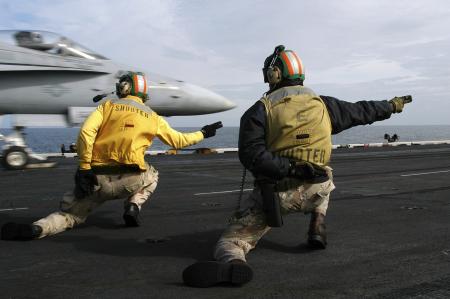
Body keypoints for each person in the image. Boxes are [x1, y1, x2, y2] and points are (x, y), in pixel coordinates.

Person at [182, 45, 412, 287]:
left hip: (278, 196)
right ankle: (317, 224)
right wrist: (391, 105)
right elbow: (363, 111)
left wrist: (289, 168)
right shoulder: (324, 105)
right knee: (327, 172)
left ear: (274, 74)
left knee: (229, 243)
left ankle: (235, 263)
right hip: (317, 190)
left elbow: (251, 155)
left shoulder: (260, 110)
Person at [1, 71, 222, 241]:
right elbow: (178, 141)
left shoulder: (106, 106)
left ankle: (37, 228)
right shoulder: (153, 117)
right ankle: (134, 205)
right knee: (153, 175)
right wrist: (203, 133)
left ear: (124, 88)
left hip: (96, 180)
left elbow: (86, 133)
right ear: (143, 93)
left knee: (69, 216)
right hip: (131, 180)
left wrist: (85, 168)